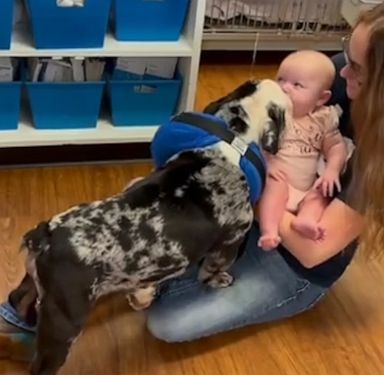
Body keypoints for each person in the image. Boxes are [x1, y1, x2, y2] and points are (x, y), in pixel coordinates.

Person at [1, 2, 383, 355]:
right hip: (250, 206)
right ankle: (40, 300)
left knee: (169, 320)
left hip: (295, 254)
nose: (343, 68)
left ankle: (142, 278)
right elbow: (255, 110)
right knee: (131, 213)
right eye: (346, 52)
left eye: (358, 69)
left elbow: (313, 250)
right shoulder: (329, 75)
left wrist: (247, 189)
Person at [257, 50, 348, 251]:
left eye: (297, 85)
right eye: (281, 80)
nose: (284, 88)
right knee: (275, 185)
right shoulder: (271, 113)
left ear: (321, 98)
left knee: (320, 195)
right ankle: (269, 231)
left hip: (304, 187)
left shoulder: (323, 118)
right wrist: (267, 162)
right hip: (276, 180)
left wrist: (331, 171)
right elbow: (253, 140)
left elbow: (336, 147)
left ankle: (306, 220)